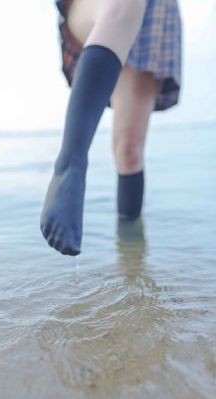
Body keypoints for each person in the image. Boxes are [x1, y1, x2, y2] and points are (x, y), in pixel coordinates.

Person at [40, 0, 182, 256]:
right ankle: (70, 164)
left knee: (129, 152)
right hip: (98, 7)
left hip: (157, 11)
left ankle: (131, 266)